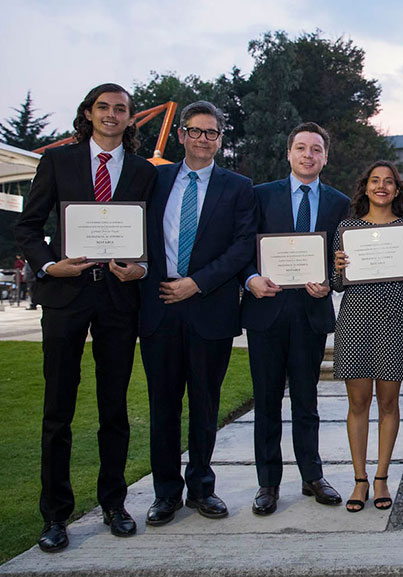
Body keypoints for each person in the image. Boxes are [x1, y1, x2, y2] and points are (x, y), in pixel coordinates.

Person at [14, 83, 157, 552]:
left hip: (117, 300)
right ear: (89, 113)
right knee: (58, 410)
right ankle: (55, 516)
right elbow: (29, 228)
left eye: (121, 109)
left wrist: (141, 266)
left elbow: (150, 236)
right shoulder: (58, 161)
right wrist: (50, 264)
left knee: (114, 408)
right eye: (104, 107)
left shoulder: (142, 172)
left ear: (130, 119)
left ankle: (114, 504)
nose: (112, 114)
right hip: (65, 295)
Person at [139, 100, 257, 526]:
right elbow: (137, 234)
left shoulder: (238, 187)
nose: (203, 139)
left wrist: (198, 282)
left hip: (210, 308)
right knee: (163, 406)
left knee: (205, 406)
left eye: (212, 133)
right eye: (196, 131)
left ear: (221, 140)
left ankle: (202, 489)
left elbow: (243, 246)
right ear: (181, 134)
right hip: (160, 308)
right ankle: (166, 494)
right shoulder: (154, 179)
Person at [241, 122, 351, 516]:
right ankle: (267, 484)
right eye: (301, 148)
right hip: (266, 313)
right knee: (267, 403)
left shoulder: (339, 203)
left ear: (325, 156)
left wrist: (331, 282)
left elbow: (342, 261)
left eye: (316, 149)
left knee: (307, 403)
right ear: (288, 153)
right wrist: (250, 279)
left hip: (310, 314)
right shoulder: (259, 196)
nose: (308, 155)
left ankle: (312, 476)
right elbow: (242, 247)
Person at [332, 160, 403, 512]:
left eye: (389, 181)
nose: (382, 186)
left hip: (392, 320)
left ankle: (382, 477)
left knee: (389, 404)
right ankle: (359, 480)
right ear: (366, 187)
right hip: (355, 320)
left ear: (398, 190)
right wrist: (339, 268)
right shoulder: (347, 228)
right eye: (375, 180)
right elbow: (337, 284)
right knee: (358, 405)